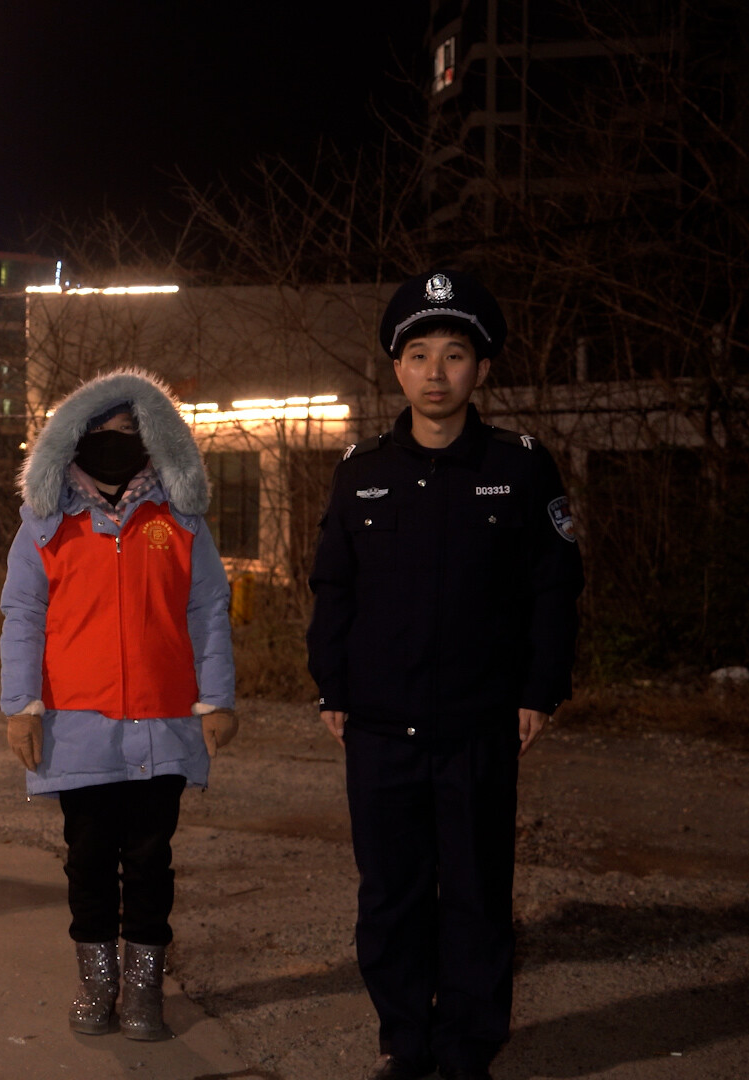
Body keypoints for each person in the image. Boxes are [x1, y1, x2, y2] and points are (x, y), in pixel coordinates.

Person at [307, 269, 583, 1080]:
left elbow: (554, 588)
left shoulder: (522, 467)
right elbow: (333, 588)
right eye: (419, 354)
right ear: (397, 368)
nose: (436, 372)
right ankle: (404, 1039)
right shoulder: (360, 470)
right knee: (389, 894)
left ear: (482, 370)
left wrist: (540, 688)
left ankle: (466, 1045)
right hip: (381, 727)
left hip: (480, 724)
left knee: (474, 890)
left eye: (455, 355)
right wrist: (333, 684)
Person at [0, 369, 237, 1041]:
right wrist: (21, 705)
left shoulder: (178, 523)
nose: (115, 443)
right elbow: (21, 616)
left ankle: (143, 991)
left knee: (151, 858)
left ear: (156, 441)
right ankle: (97, 982)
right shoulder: (48, 527)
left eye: (130, 432)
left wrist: (216, 697)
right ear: (71, 442)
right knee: (89, 857)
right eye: (100, 433)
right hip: (77, 726)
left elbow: (208, 611)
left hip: (164, 723)